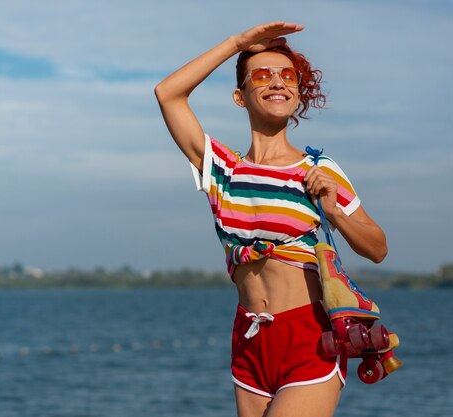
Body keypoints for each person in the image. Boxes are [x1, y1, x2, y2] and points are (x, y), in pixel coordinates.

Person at [154, 22, 388, 417]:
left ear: (297, 92)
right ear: (239, 95)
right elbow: (169, 94)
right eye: (262, 75)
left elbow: (378, 248)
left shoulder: (317, 168)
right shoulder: (222, 170)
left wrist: (333, 211)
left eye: (288, 76)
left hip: (310, 336)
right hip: (249, 339)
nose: (277, 82)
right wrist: (236, 44)